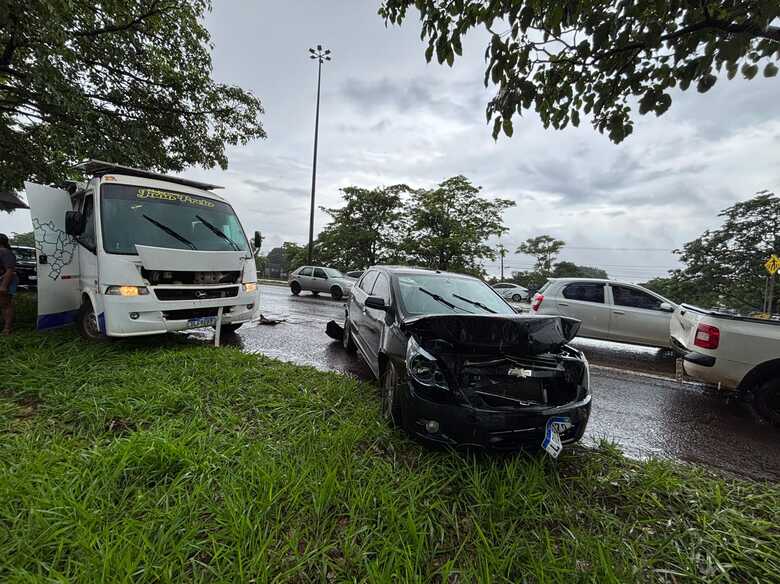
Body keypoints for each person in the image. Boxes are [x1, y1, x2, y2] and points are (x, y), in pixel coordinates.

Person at [0, 233, 17, 335]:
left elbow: (10, 270)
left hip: (5, 281)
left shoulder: (5, 252)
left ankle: (7, 328)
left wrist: (3, 286)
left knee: (5, 304)